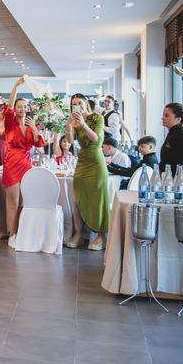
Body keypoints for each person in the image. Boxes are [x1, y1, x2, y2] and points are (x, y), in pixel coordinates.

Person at [1, 77, 45, 247]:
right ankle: (12, 234)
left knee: (25, 203)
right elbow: (9, 105)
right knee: (12, 202)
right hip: (11, 164)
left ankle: (23, 232)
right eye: (19, 106)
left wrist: (34, 129)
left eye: (24, 106)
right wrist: (15, 86)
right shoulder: (10, 124)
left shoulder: (32, 125)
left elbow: (38, 143)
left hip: (27, 165)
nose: (21, 108)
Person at [64, 93, 109, 250]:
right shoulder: (75, 122)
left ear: (86, 104)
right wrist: (69, 125)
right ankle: (78, 234)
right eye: (74, 104)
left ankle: (101, 236)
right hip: (82, 161)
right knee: (76, 201)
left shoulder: (97, 118)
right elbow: (69, 141)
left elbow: (96, 139)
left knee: (98, 200)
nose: (78, 106)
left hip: (96, 161)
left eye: (80, 103)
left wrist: (83, 124)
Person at [160, 102, 183, 175]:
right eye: (163, 115)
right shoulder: (172, 133)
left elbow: (181, 162)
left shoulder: (181, 136)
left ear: (178, 119)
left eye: (166, 115)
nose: (162, 118)